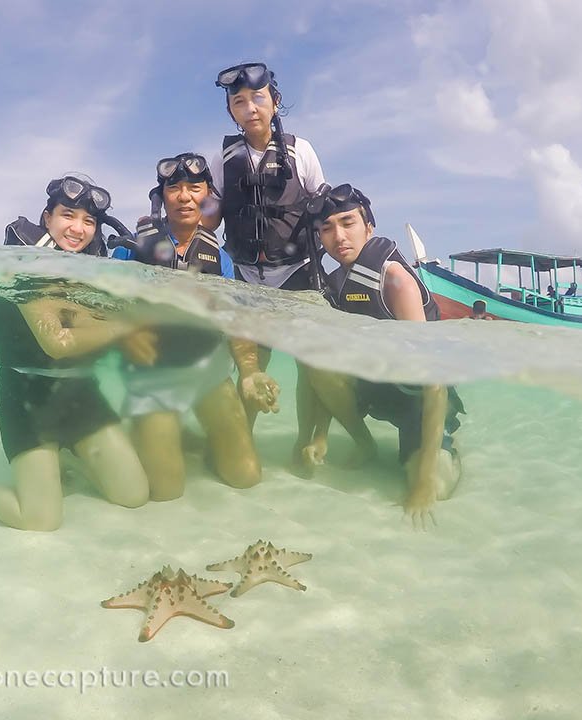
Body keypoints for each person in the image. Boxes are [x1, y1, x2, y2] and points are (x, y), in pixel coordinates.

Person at [0, 175, 150, 530]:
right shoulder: (22, 266)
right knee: (41, 521)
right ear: (46, 218)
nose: (78, 228)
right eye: (67, 215)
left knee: (134, 495)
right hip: (27, 399)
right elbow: (59, 342)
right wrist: (125, 325)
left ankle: (64, 457)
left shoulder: (92, 271)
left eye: (89, 221)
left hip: (82, 393)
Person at [296, 184, 464, 529]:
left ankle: (445, 447)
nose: (338, 236)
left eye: (348, 223)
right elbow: (326, 361)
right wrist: (321, 435)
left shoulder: (396, 282)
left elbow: (433, 385)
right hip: (377, 388)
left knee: (437, 487)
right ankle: (365, 445)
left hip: (417, 399)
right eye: (326, 229)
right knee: (311, 358)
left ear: (369, 228)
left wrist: (420, 486)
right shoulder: (336, 283)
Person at [110, 153, 265, 499]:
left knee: (246, 477)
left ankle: (196, 439)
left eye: (194, 188)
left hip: (207, 372)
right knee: (166, 492)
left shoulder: (219, 256)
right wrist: (125, 331)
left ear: (208, 195)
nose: (184, 197)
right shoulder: (133, 250)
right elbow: (103, 305)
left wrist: (251, 371)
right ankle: (142, 428)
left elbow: (235, 318)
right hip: (153, 377)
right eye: (174, 188)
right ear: (161, 196)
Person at [201, 61, 328, 467]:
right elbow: (209, 214)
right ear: (231, 112)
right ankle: (241, 442)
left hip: (297, 275)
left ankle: (306, 442)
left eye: (258, 98)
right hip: (246, 278)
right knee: (254, 363)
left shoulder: (301, 150)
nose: (250, 108)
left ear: (275, 102)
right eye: (239, 102)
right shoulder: (223, 159)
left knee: (311, 363)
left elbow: (324, 207)